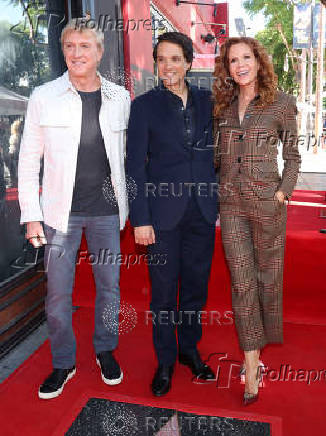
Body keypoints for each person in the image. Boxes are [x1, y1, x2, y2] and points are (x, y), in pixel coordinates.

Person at [18, 19, 130, 399]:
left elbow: (126, 157)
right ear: (63, 50)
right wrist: (31, 214)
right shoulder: (43, 96)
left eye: (85, 46)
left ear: (99, 52)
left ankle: (105, 349)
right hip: (58, 215)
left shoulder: (120, 97)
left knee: (110, 288)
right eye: (69, 46)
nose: (76, 53)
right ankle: (63, 362)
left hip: (107, 211)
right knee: (57, 294)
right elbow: (28, 160)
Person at [127, 32, 218, 397]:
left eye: (175, 59)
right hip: (161, 215)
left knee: (196, 287)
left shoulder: (209, 101)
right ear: (156, 64)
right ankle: (164, 360)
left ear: (188, 62)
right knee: (164, 293)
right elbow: (133, 167)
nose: (168, 66)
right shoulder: (144, 106)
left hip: (202, 210)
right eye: (162, 59)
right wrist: (141, 219)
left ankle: (188, 350)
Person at [213, 37, 301, 405]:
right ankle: (251, 368)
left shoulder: (281, 103)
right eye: (233, 60)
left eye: (246, 57)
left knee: (267, 279)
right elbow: (216, 156)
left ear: (258, 61)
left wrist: (283, 192)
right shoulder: (223, 106)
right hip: (231, 206)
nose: (240, 65)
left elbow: (293, 156)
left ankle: (260, 351)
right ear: (228, 68)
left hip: (268, 205)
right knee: (242, 283)